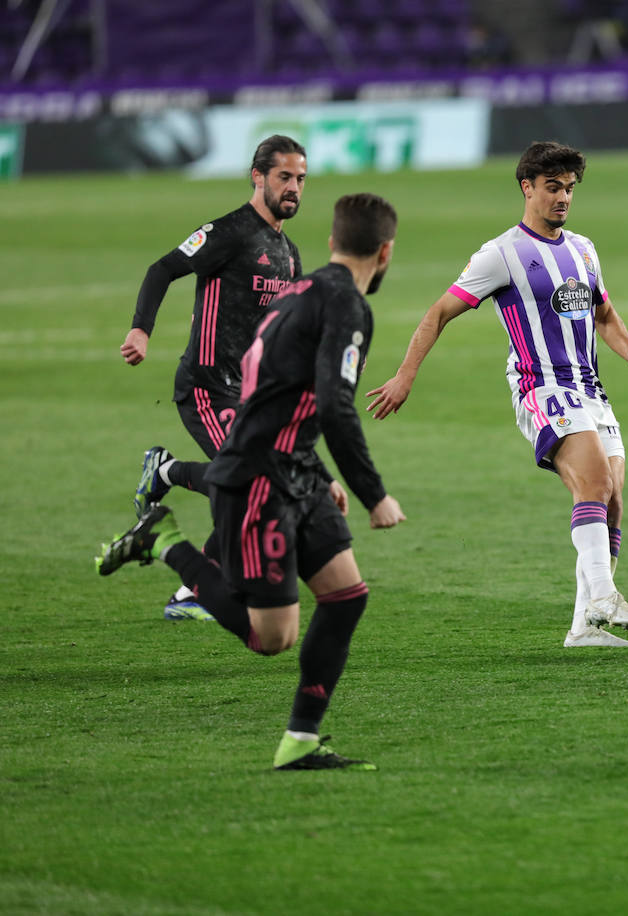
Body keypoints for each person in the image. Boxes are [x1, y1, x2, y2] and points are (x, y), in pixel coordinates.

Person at [97, 193, 407, 770]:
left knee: (345, 597)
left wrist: (316, 472)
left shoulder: (300, 290)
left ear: (335, 241)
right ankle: (162, 540)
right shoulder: (347, 308)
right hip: (260, 475)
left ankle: (300, 741)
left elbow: (278, 391)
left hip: (293, 468)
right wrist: (374, 494)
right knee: (272, 638)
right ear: (385, 252)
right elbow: (336, 408)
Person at [364, 141, 628, 649]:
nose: (563, 197)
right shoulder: (500, 254)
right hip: (540, 386)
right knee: (592, 481)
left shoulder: (583, 249)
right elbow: (438, 312)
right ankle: (605, 595)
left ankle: (583, 630)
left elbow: (603, 313)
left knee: (612, 500)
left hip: (589, 388)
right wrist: (404, 375)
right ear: (527, 188)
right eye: (552, 188)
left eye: (569, 188)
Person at [121, 134, 308, 621]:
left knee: (267, 493)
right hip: (207, 386)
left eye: (301, 179)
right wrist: (141, 330)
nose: (294, 188)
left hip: (251, 398)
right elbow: (162, 269)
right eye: (285, 177)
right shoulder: (228, 232)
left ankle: (193, 588)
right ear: (258, 176)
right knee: (252, 486)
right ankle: (165, 475)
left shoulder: (289, 254)